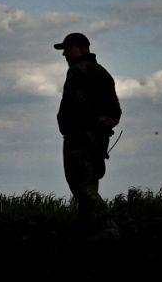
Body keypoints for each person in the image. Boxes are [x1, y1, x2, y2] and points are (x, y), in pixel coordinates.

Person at [54, 31, 121, 236]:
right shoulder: (103, 73)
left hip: (79, 137)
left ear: (82, 48)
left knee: (80, 184)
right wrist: (109, 120)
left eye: (68, 49)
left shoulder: (77, 72)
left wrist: (94, 121)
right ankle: (86, 228)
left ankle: (106, 224)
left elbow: (77, 105)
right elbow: (115, 108)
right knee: (90, 182)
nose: (65, 54)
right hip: (98, 139)